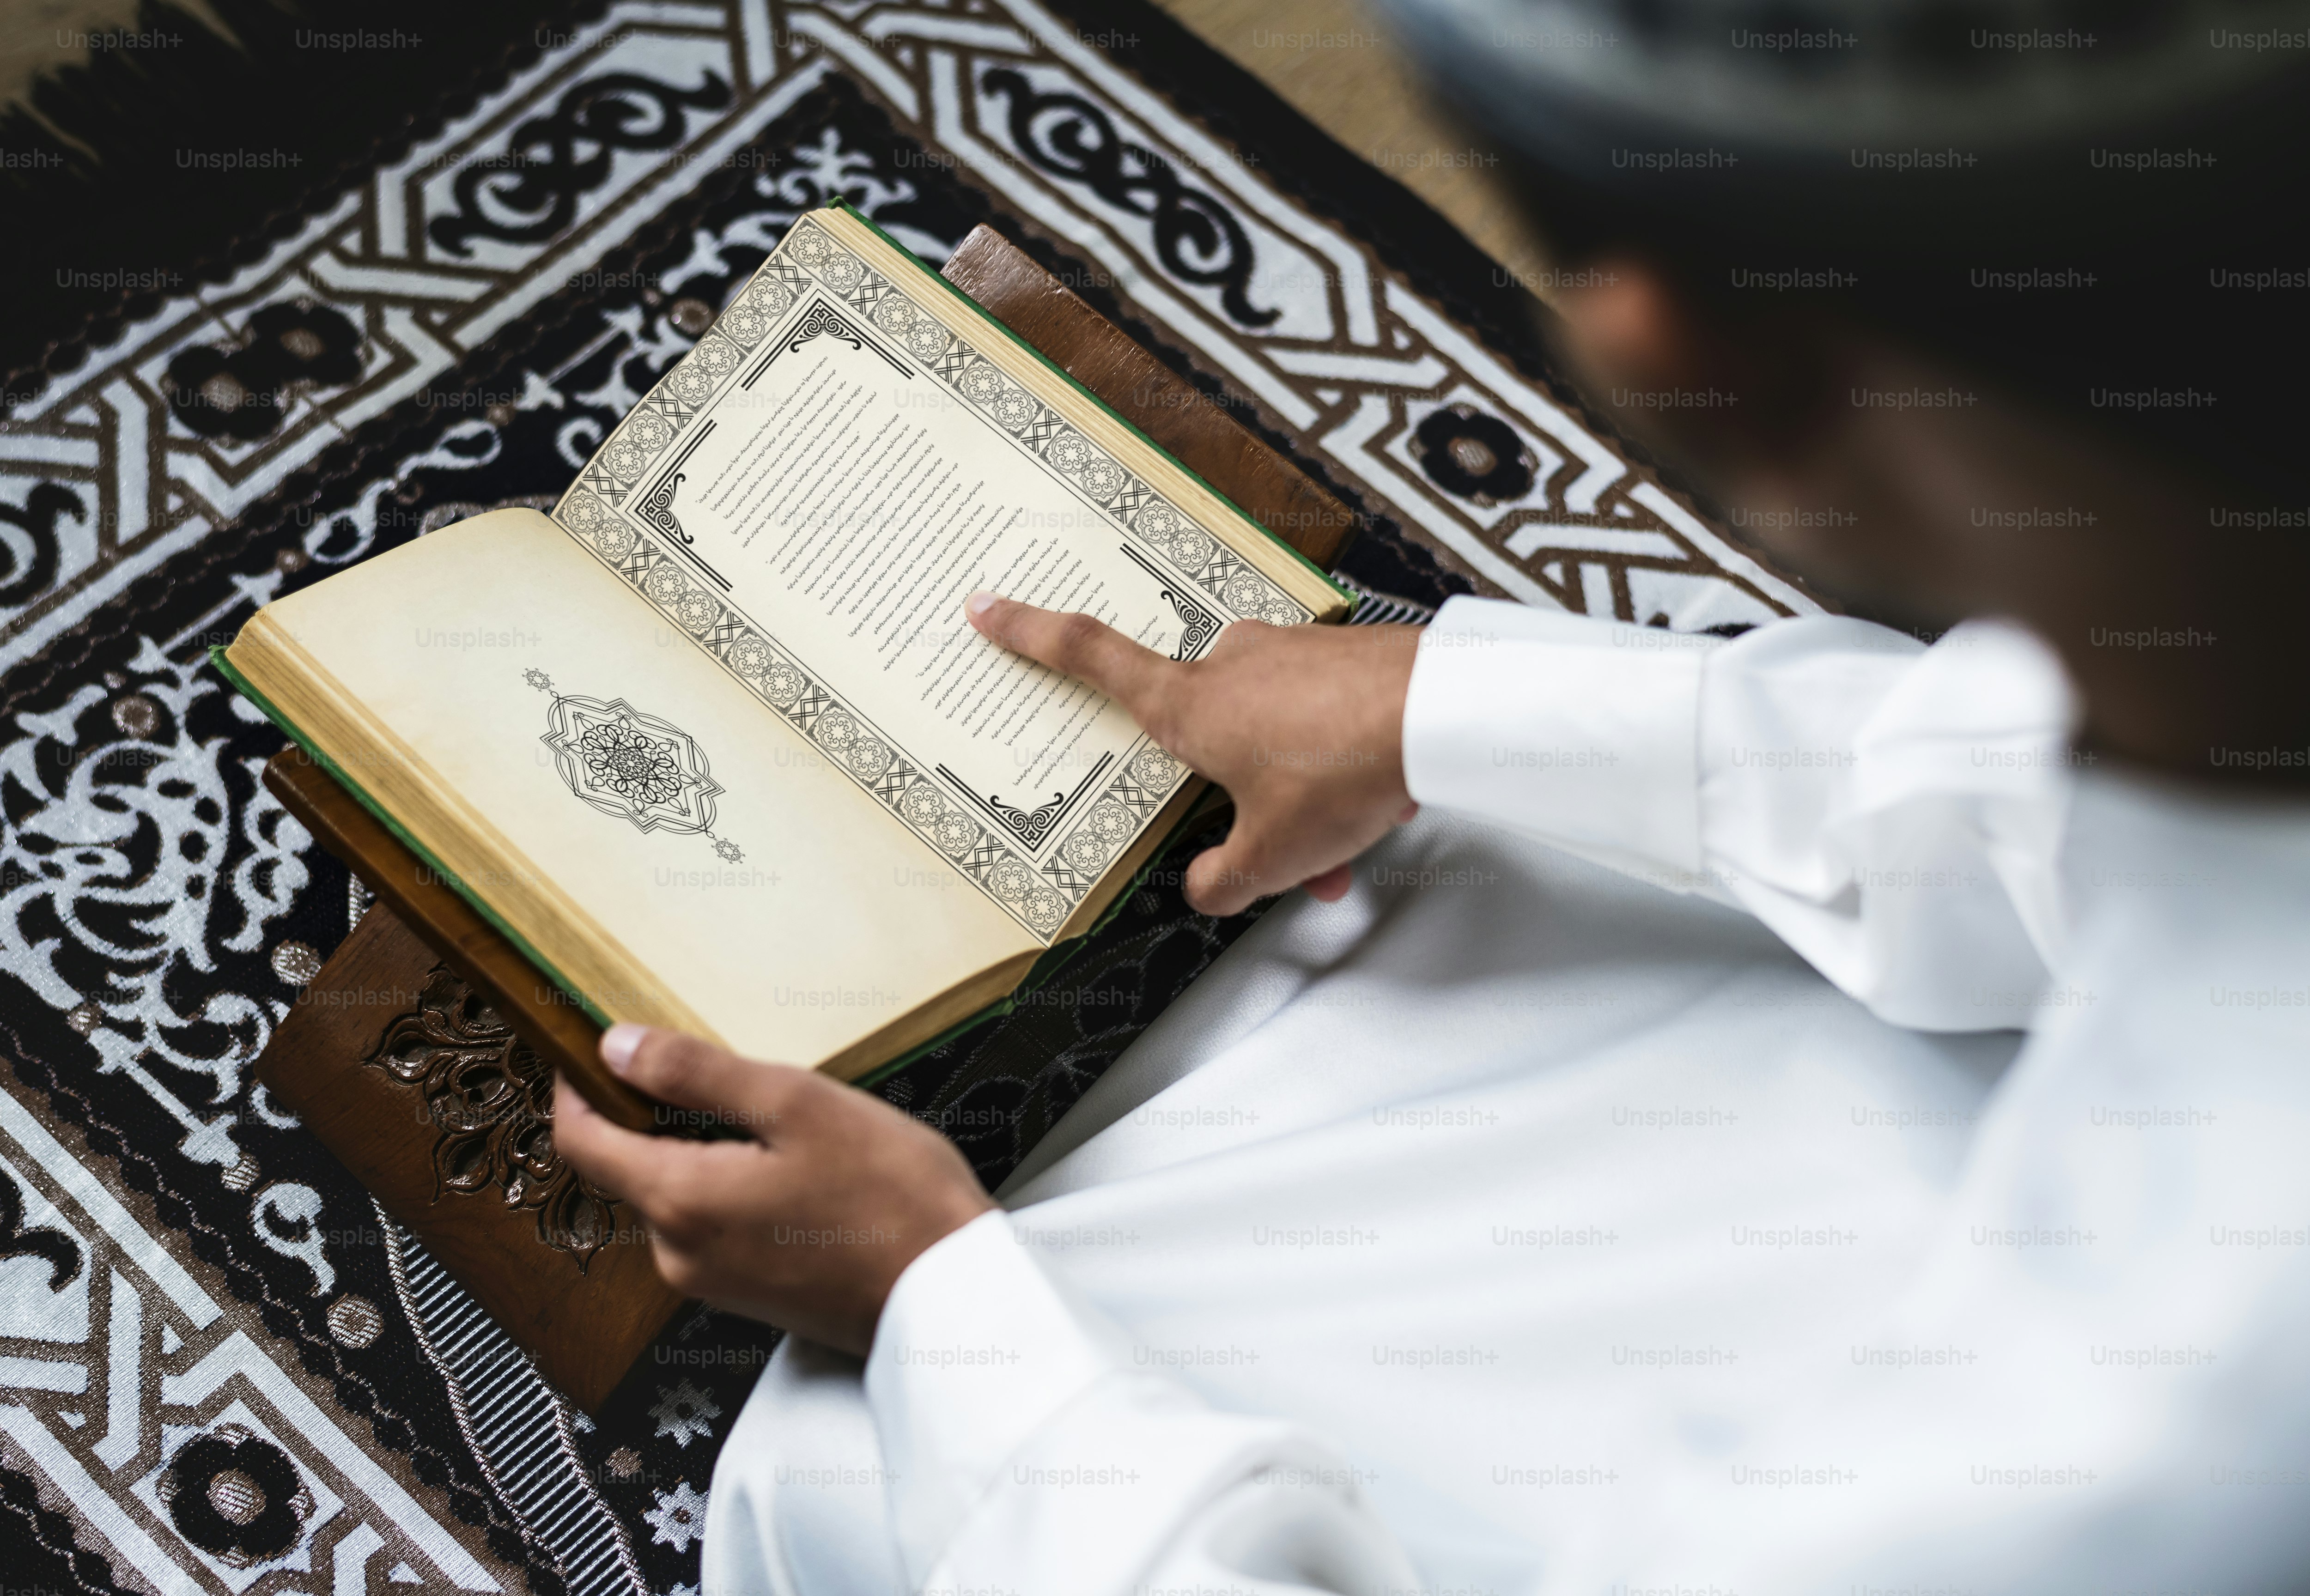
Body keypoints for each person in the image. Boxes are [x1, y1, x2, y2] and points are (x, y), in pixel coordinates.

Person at [554, 4, 2310, 1591]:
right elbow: (2035, 799)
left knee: (832, 1466)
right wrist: (1442, 700)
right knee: (1484, 894)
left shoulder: (2143, 1455)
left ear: (1684, 358)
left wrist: (934, 1309)